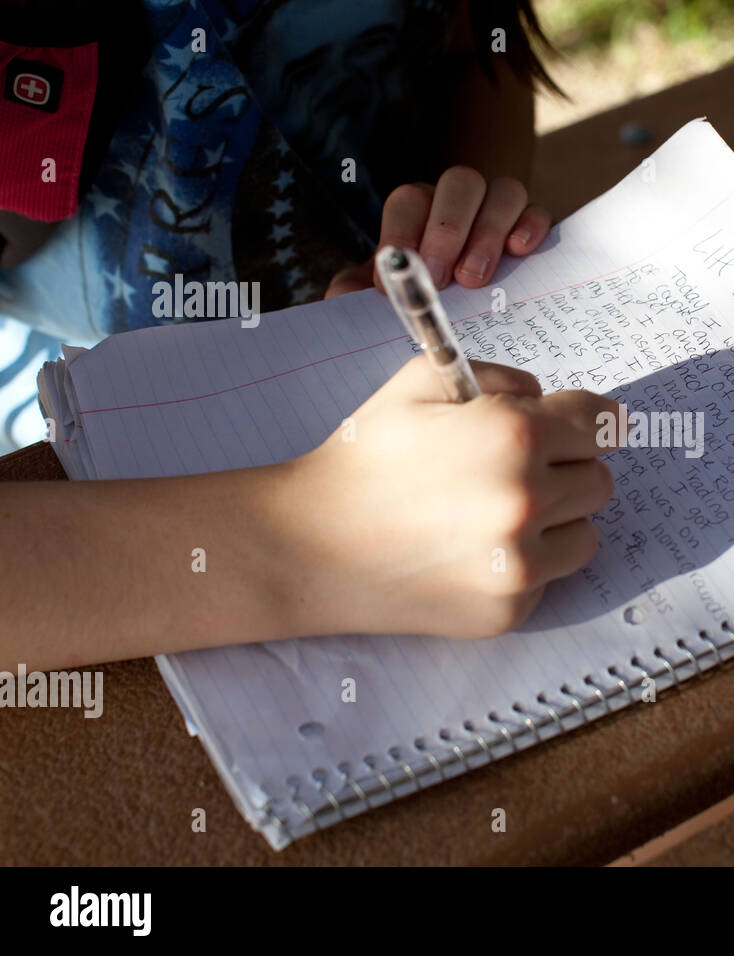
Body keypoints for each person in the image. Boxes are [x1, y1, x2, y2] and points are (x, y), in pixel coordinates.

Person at [0, 0, 617, 672]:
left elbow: (475, 47)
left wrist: (454, 228)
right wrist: (323, 541)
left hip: (378, 346)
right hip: (85, 439)